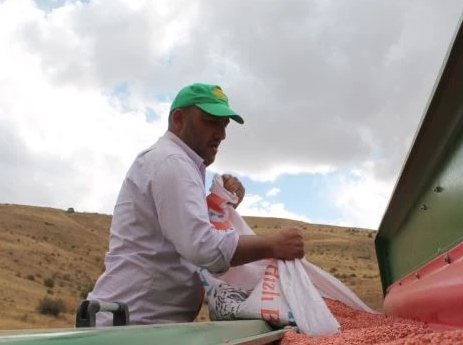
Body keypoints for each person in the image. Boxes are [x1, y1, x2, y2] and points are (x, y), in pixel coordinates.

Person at [88, 83, 305, 326]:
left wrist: (219, 205)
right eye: (211, 121)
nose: (221, 134)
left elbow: (180, 230)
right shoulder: (172, 162)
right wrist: (273, 245)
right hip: (129, 327)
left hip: (137, 323)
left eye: (224, 125)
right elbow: (203, 248)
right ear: (179, 119)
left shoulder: (177, 163)